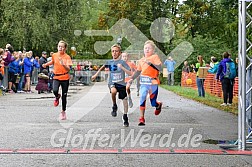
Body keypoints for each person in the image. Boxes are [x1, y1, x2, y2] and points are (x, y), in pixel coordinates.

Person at [91, 44, 131, 127]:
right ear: (111, 53)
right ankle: (114, 105)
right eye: (113, 51)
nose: (114, 53)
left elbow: (130, 73)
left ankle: (125, 115)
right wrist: (95, 75)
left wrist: (122, 68)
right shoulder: (109, 62)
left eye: (116, 51)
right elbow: (102, 67)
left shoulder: (122, 62)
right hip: (112, 82)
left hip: (121, 84)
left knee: (124, 100)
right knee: (113, 91)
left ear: (120, 53)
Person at [128, 40, 162, 126]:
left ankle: (158, 105)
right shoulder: (141, 60)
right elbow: (138, 71)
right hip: (144, 83)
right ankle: (141, 118)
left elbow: (160, 68)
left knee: (153, 102)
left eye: (149, 48)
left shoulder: (155, 57)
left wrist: (151, 64)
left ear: (153, 50)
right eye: (145, 48)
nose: (147, 50)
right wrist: (131, 78)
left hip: (153, 83)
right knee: (142, 96)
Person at [42, 40, 73, 120]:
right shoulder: (55, 55)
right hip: (56, 76)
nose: (60, 48)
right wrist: (46, 64)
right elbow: (53, 61)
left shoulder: (67, 57)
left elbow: (69, 69)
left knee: (64, 95)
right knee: (55, 90)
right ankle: (57, 96)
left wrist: (64, 64)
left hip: (65, 77)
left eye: (62, 47)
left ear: (65, 48)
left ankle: (63, 112)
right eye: (59, 46)